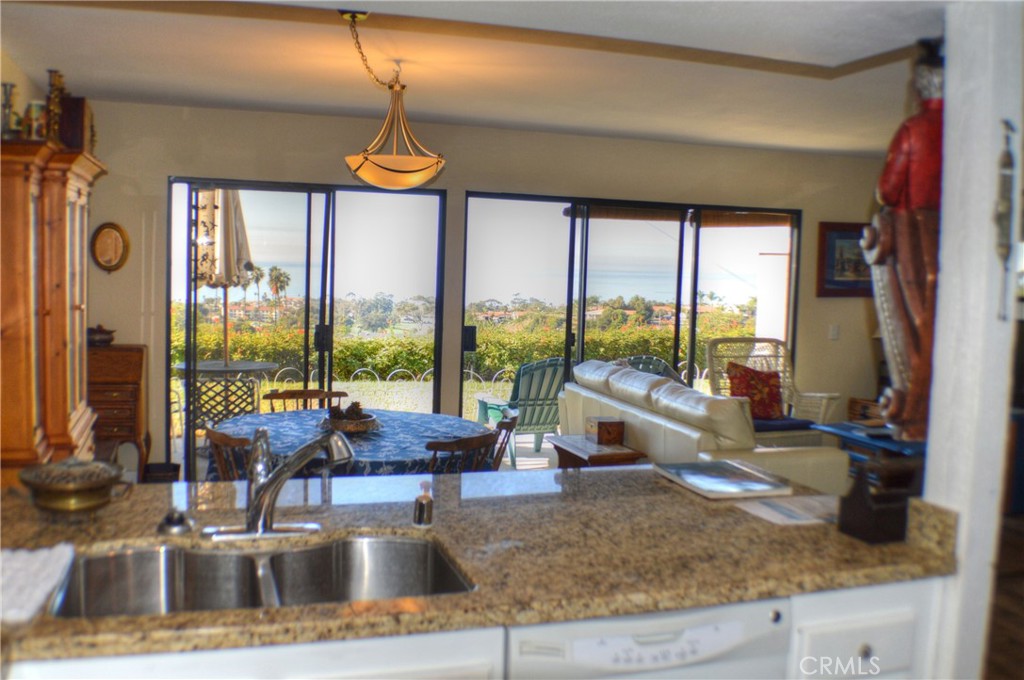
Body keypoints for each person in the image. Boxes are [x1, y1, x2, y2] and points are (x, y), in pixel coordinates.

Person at [861, 38, 943, 442]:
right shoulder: (967, 134)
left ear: (921, 88)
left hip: (911, 236)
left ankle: (916, 406)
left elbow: (888, 191)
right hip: (943, 233)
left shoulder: (914, 128)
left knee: (913, 321)